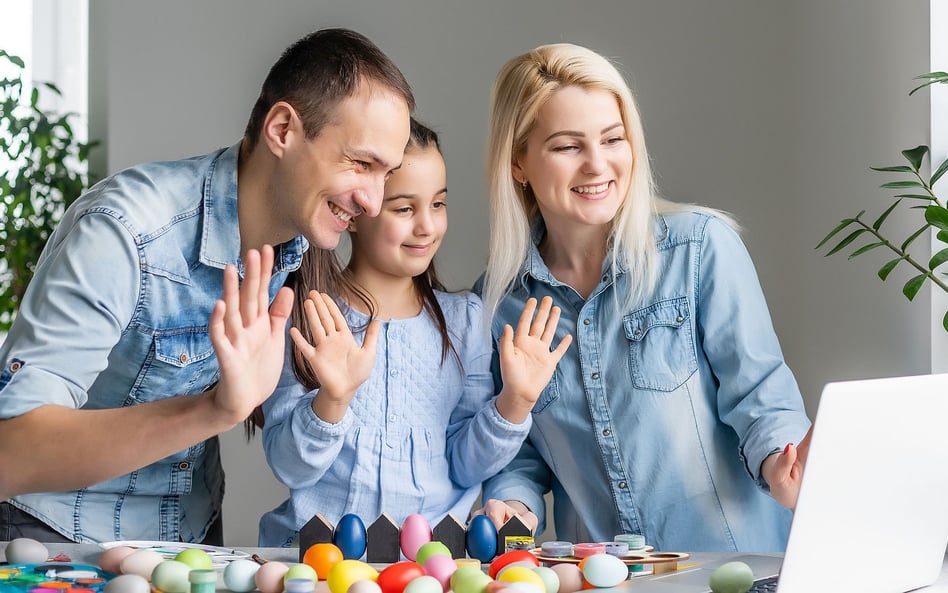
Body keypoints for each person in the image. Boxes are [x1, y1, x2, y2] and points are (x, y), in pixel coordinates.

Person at [0, 28, 414, 545]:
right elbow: (11, 452)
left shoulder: (298, 244)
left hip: (188, 535)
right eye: (361, 163)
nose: (374, 202)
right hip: (56, 536)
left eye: (387, 173)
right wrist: (214, 410)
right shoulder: (124, 231)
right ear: (283, 129)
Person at [472, 43, 813, 552]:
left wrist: (782, 464)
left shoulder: (699, 249)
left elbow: (760, 396)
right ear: (518, 161)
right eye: (567, 146)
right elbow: (522, 457)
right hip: (605, 581)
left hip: (735, 574)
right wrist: (513, 508)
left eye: (613, 139)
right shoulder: (497, 305)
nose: (597, 164)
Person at [257, 119, 572, 547]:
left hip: (433, 566)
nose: (427, 226)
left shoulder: (465, 321)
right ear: (355, 212)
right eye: (404, 209)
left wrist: (515, 402)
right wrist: (333, 400)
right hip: (320, 564)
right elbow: (290, 467)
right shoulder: (310, 316)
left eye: (438, 204)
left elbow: (465, 466)